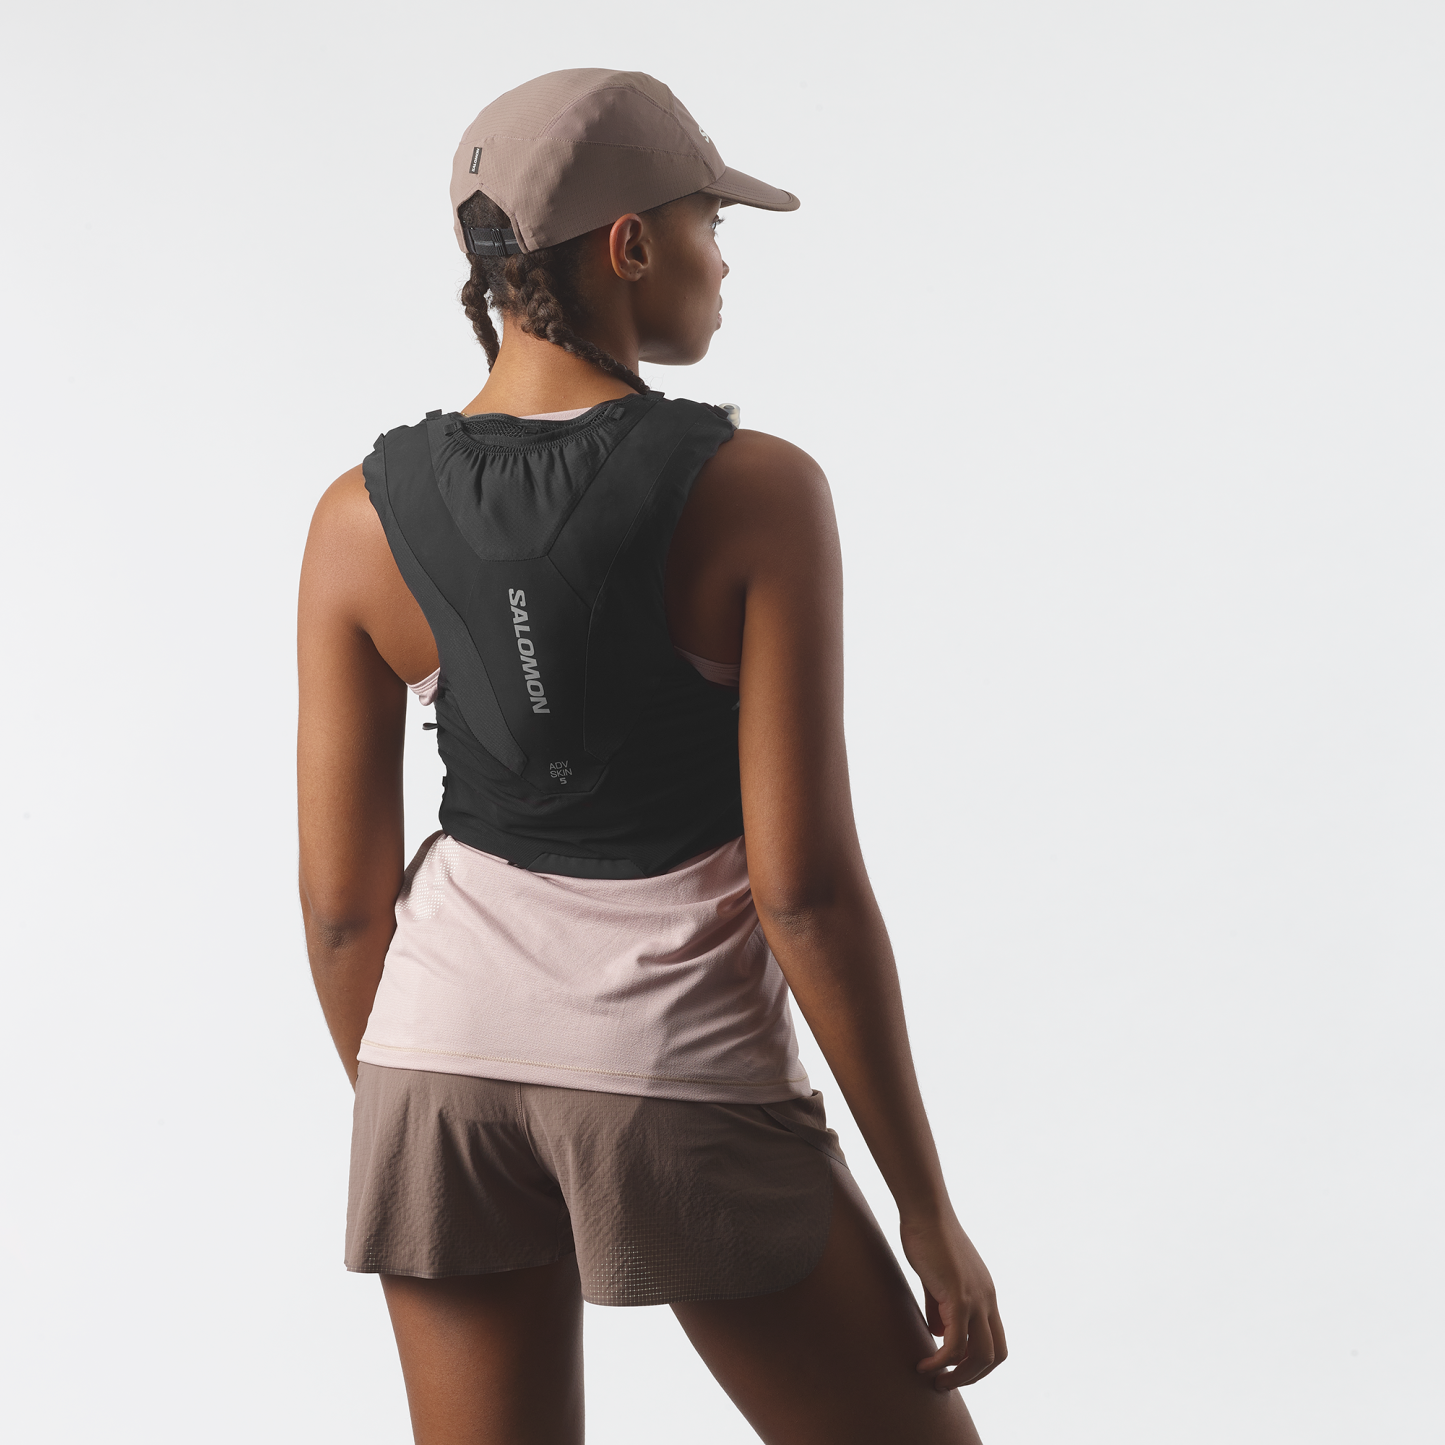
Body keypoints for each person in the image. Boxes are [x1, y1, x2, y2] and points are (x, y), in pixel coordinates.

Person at [297, 68, 1006, 1445]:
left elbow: (339, 912)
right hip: (673, 1059)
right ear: (629, 245)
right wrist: (926, 1209)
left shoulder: (353, 518)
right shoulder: (756, 490)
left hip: (433, 1066)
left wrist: (429, 1102)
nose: (722, 262)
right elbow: (805, 892)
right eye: (707, 224)